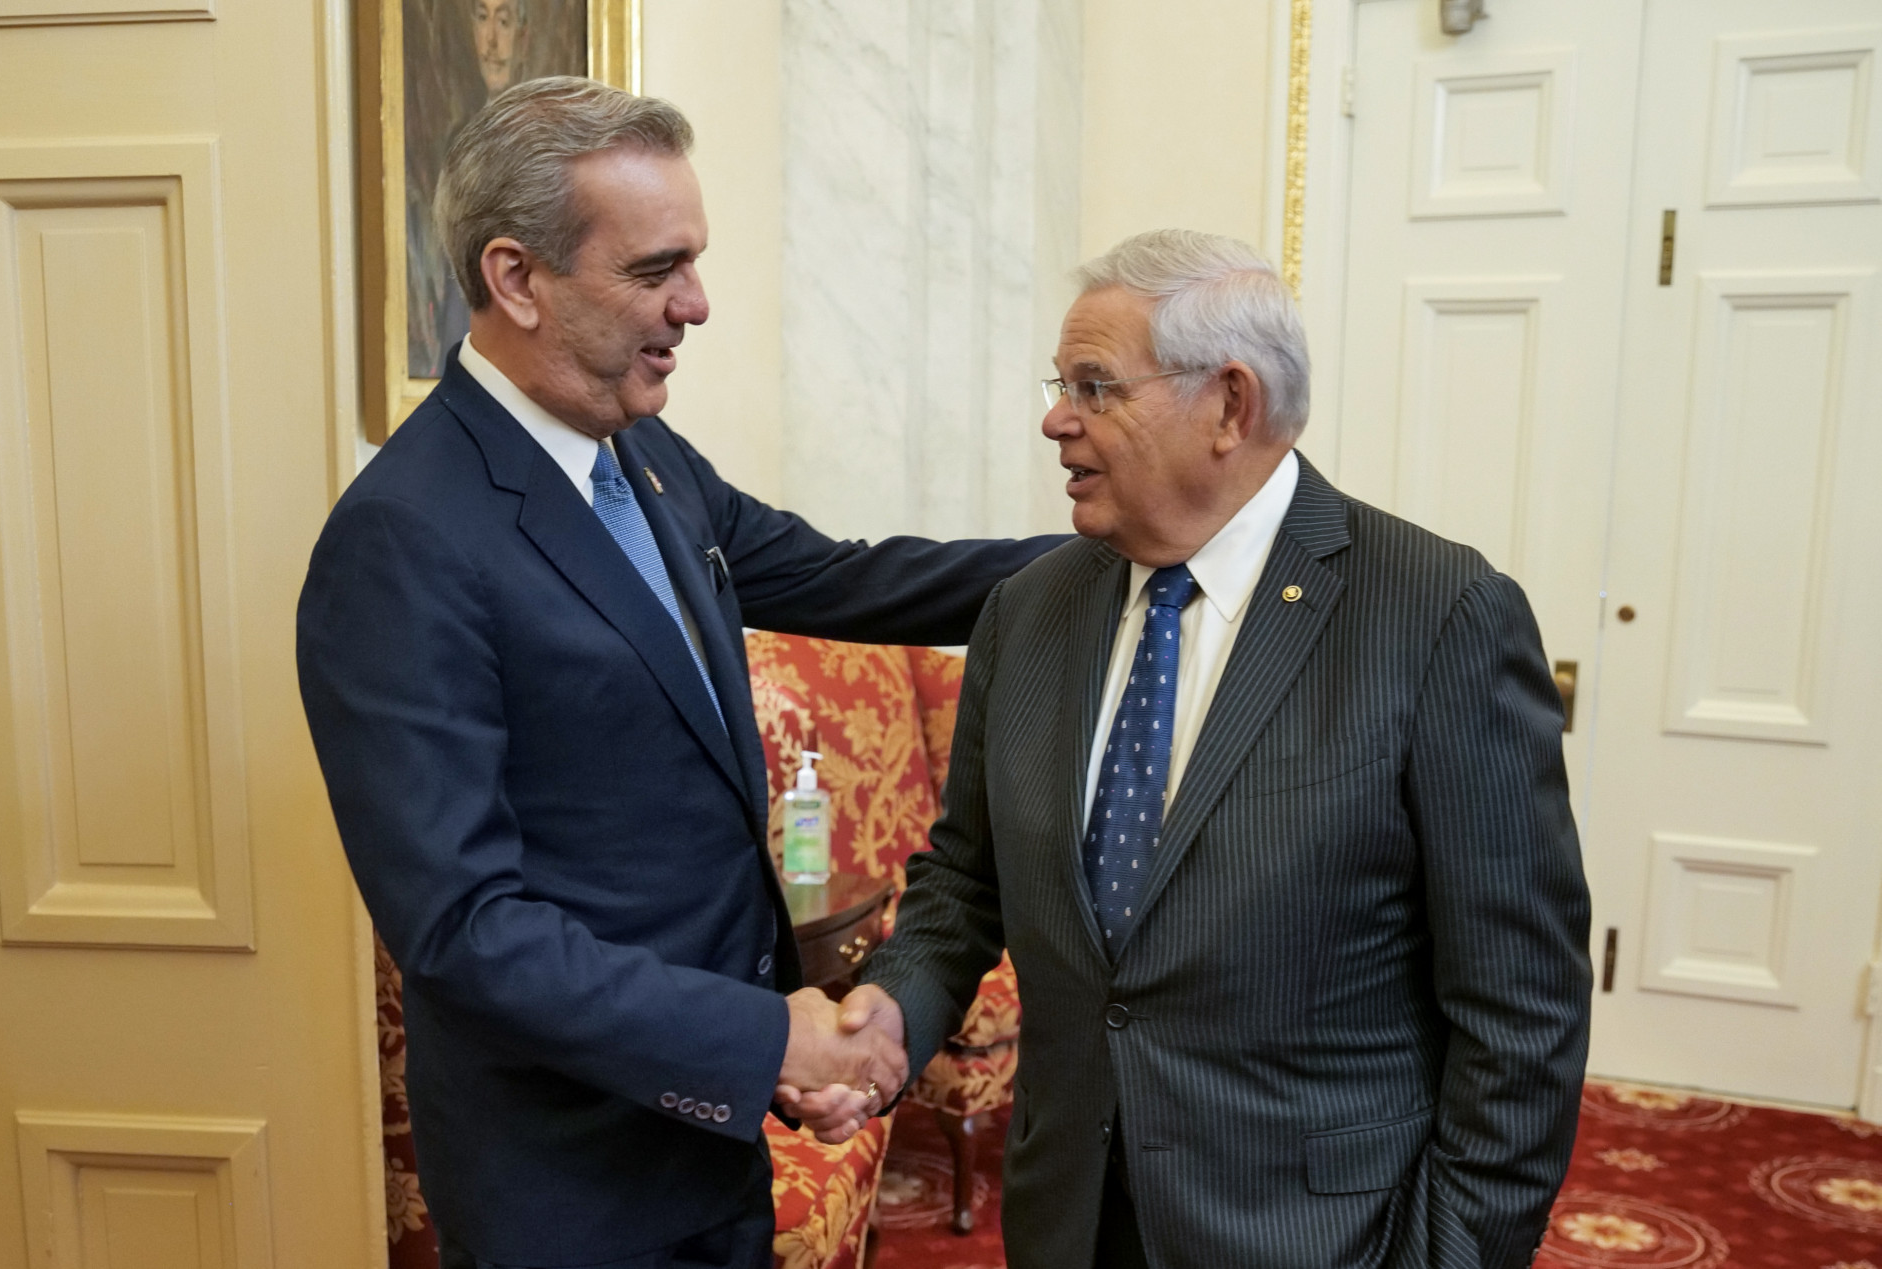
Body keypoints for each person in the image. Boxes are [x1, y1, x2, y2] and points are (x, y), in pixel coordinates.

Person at [296, 77, 1064, 1269]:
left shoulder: (640, 453)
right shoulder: (403, 539)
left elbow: (847, 578)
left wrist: (1116, 548)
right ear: (516, 278)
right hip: (565, 1179)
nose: (696, 304)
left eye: (692, 262)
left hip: (707, 1142)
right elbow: (464, 930)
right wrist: (761, 1041)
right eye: (657, 270)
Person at [844, 229, 1592, 1268]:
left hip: (1323, 1236)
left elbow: (1522, 1011)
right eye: (1062, 386)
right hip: (1070, 1216)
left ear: (1230, 405)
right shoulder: (1026, 613)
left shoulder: (1438, 616)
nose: (1056, 419)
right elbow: (966, 880)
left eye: (1096, 387)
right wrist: (893, 1012)